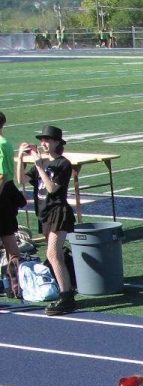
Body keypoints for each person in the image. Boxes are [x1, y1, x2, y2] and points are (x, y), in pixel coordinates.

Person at [20, 125, 75, 315]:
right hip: (45, 214)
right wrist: (21, 159)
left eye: (48, 140)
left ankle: (66, 296)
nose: (44, 143)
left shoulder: (63, 163)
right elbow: (21, 180)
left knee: (52, 254)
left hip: (59, 212)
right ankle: (67, 293)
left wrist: (38, 165)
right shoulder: (42, 163)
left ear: (57, 142)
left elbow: (52, 189)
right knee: (56, 256)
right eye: (42, 140)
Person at [0, 111, 24, 300]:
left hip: (2, 195)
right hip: (7, 195)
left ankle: (13, 284)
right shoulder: (5, 143)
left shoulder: (0, 144)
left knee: (9, 242)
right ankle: (17, 286)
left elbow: (1, 174)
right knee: (10, 242)